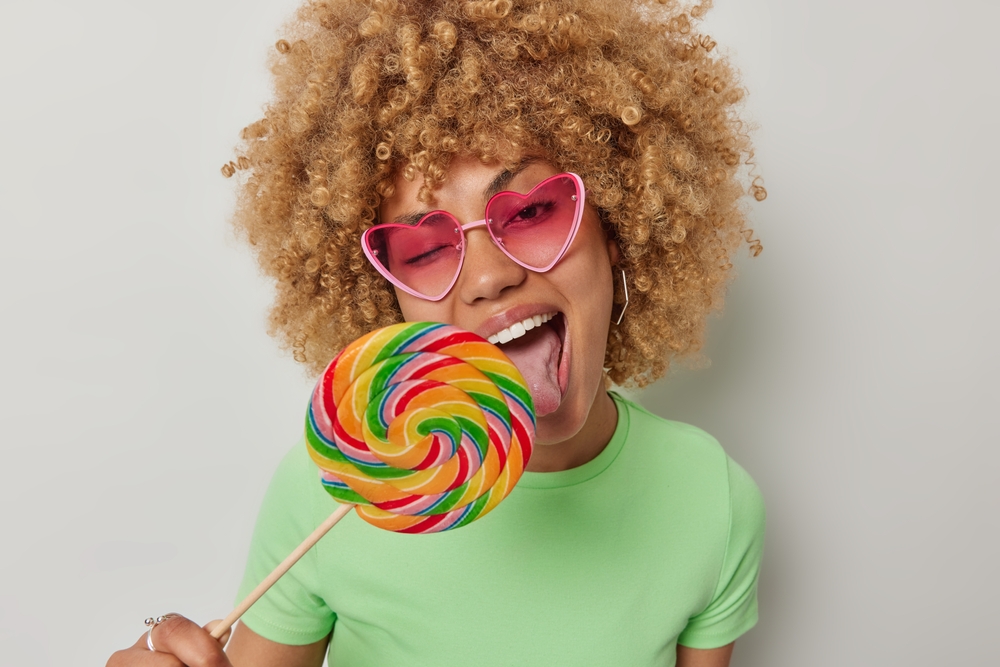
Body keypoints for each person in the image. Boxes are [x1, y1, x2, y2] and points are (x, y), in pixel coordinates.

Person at [107, 0, 766, 665]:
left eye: (533, 209)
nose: (487, 278)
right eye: (423, 250)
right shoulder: (343, 484)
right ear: (383, 293)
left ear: (617, 225)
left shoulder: (713, 499)